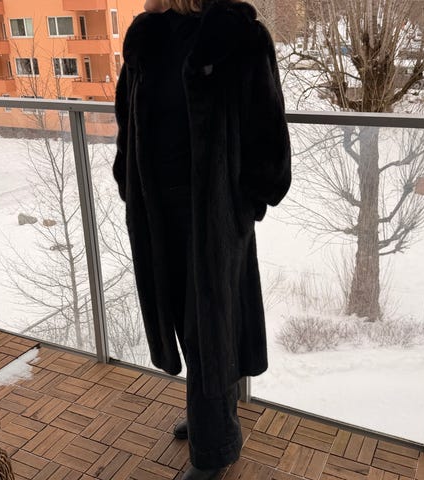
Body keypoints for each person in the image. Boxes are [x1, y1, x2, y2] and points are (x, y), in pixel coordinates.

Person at [112, 0, 291, 478]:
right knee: (183, 320)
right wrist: (128, 180)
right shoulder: (147, 37)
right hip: (157, 215)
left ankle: (215, 448)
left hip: (214, 217)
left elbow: (268, 132)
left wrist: (246, 203)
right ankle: (210, 415)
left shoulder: (238, 37)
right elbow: (127, 121)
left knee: (208, 329)